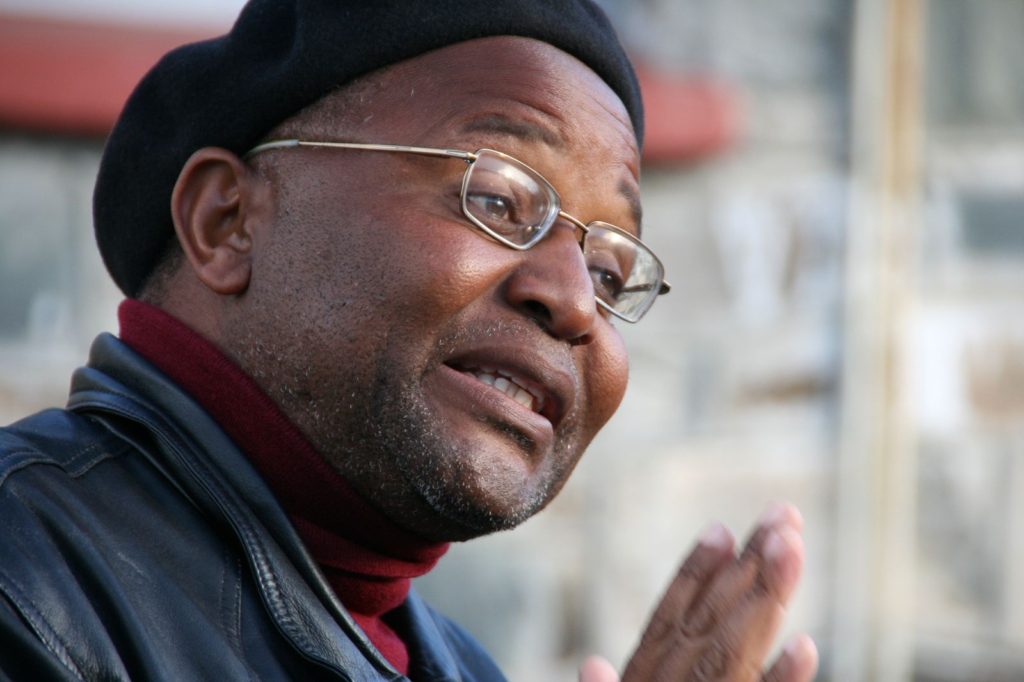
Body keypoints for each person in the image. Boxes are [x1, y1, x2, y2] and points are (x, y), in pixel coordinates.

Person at [0, 1, 818, 679]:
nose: (574, 300)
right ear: (229, 223)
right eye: (498, 197)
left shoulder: (458, 666)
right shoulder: (30, 582)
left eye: (609, 270)